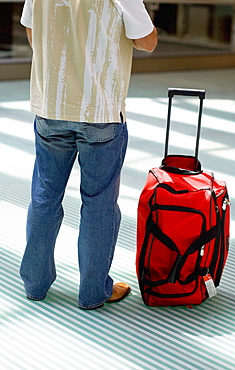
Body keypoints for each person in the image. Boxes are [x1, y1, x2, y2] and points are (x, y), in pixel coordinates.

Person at [19, 0, 157, 310]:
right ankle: (94, 292)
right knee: (99, 203)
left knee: (44, 196)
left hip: (51, 107)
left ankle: (35, 283)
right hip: (100, 111)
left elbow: (31, 29)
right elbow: (147, 42)